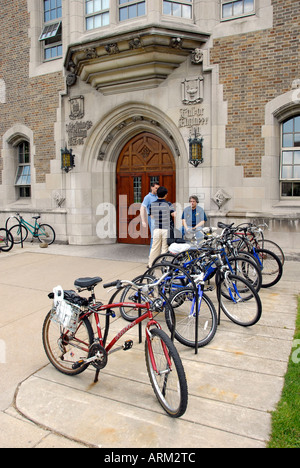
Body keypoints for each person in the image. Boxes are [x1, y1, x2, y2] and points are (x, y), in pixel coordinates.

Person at [148, 186, 175, 267]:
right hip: (166, 229)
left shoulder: (152, 204)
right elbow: (173, 214)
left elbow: (152, 216)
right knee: (164, 248)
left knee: (154, 248)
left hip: (156, 229)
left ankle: (151, 265)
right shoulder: (168, 204)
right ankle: (163, 265)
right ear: (166, 195)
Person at [141, 182, 160, 249]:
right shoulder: (148, 197)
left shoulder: (158, 196)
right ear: (152, 188)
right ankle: (151, 255)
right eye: (156, 188)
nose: (157, 190)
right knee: (154, 236)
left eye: (158, 188)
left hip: (159, 219)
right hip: (152, 219)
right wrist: (143, 221)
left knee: (159, 236)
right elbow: (142, 208)